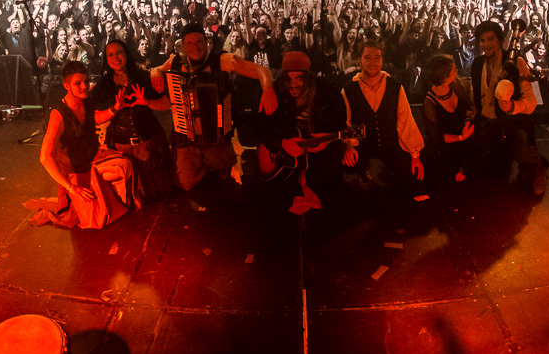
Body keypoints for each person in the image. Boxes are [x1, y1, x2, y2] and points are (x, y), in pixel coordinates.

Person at [150, 23, 278, 191]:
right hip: (186, 134)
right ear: (183, 46)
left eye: (199, 41)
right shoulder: (175, 62)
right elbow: (158, 69)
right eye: (189, 43)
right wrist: (155, 73)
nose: (195, 47)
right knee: (186, 183)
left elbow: (262, 70)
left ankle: (215, 163)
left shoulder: (221, 60)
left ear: (206, 42)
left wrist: (268, 89)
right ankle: (206, 164)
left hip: (217, 134)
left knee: (224, 178)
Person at [25, 61, 135, 229]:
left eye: (86, 81)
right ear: (66, 86)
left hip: (94, 160)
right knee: (95, 221)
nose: (84, 86)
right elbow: (44, 157)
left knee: (124, 167)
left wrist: (115, 109)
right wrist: (71, 187)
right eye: (78, 83)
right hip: (75, 171)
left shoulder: (86, 101)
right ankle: (64, 203)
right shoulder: (58, 115)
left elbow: (95, 119)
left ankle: (97, 195)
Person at [257, 51, 348, 214]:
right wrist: (282, 143)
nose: (293, 84)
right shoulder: (276, 91)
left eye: (299, 77)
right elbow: (261, 128)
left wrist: (327, 140)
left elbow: (340, 122)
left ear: (308, 76)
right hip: (286, 153)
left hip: (316, 151)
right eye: (289, 78)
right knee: (279, 197)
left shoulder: (326, 91)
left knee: (327, 186)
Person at [90, 40, 174, 207]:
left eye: (119, 52)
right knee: (134, 201)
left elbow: (166, 103)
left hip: (150, 145)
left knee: (160, 197)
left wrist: (147, 102)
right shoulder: (103, 86)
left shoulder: (143, 77)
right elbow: (96, 118)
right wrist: (114, 109)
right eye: (111, 54)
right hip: (122, 149)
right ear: (106, 59)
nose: (116, 58)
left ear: (126, 54)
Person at [340, 40, 426, 200]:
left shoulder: (395, 87)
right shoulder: (349, 89)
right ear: (359, 59)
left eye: (377, 57)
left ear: (382, 59)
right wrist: (348, 146)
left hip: (390, 144)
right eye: (367, 57)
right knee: (348, 169)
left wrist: (415, 156)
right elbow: (345, 122)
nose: (372, 62)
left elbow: (405, 121)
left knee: (415, 182)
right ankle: (364, 172)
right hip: (363, 144)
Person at [470, 20, 546, 195]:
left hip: (512, 123)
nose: (486, 44)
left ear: (501, 40)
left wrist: (513, 106)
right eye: (482, 40)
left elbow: (531, 103)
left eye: (491, 39)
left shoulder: (517, 63)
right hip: (487, 122)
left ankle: (538, 168)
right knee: (477, 165)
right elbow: (477, 95)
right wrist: (474, 110)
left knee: (523, 155)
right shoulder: (477, 64)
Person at [422, 54, 475, 183]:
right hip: (446, 150)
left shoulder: (457, 86)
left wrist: (470, 114)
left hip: (465, 143)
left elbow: (466, 109)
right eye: (454, 70)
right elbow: (437, 138)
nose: (457, 72)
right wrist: (461, 137)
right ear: (444, 77)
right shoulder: (430, 103)